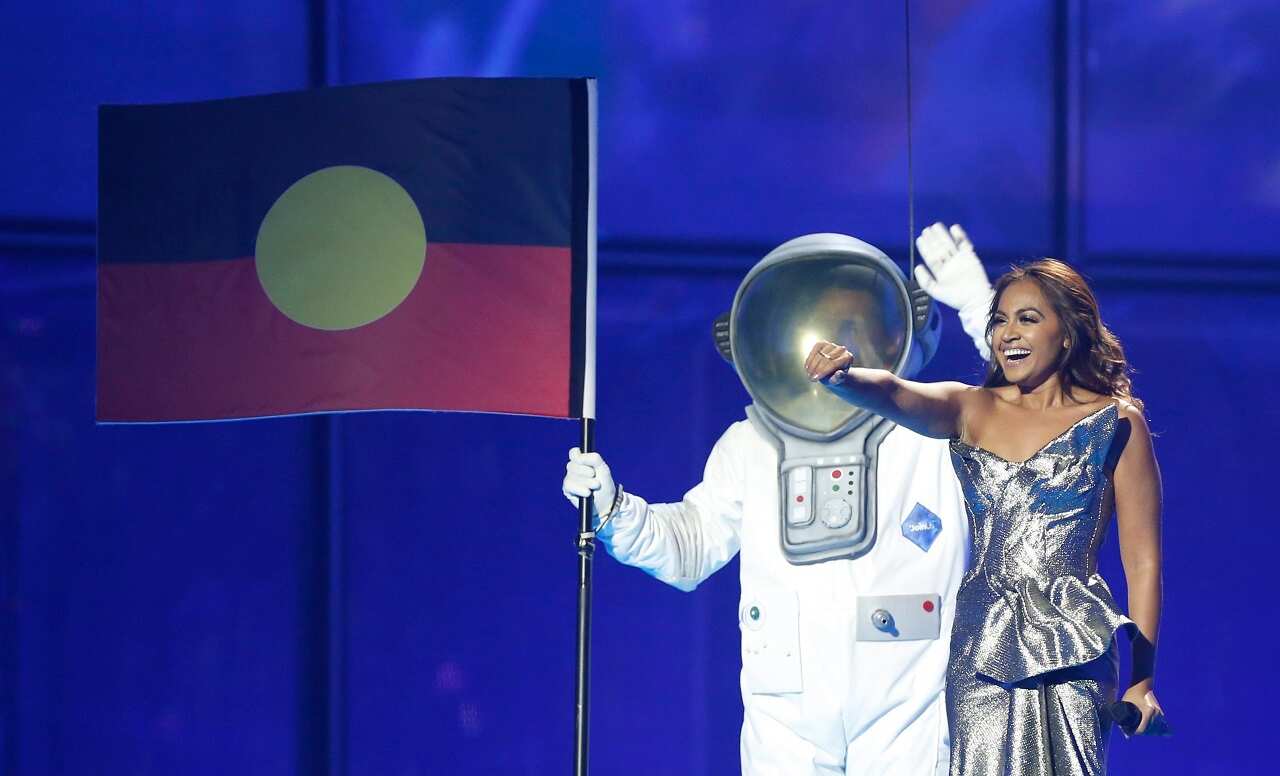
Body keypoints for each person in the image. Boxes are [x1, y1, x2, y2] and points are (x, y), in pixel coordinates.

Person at [564, 225, 995, 775]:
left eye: (852, 329)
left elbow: (1044, 419)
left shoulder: (934, 436)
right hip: (786, 720)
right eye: (817, 329)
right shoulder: (750, 446)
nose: (832, 349)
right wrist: (614, 511)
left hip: (909, 709)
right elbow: (690, 546)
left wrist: (983, 311)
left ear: (897, 331)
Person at [805, 255, 1164, 775]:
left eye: (1028, 318)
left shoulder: (1115, 422)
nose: (1007, 333)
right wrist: (844, 378)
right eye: (999, 320)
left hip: (1076, 644)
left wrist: (1142, 679)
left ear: (1068, 333)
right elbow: (895, 392)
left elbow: (1143, 562)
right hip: (984, 645)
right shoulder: (970, 407)